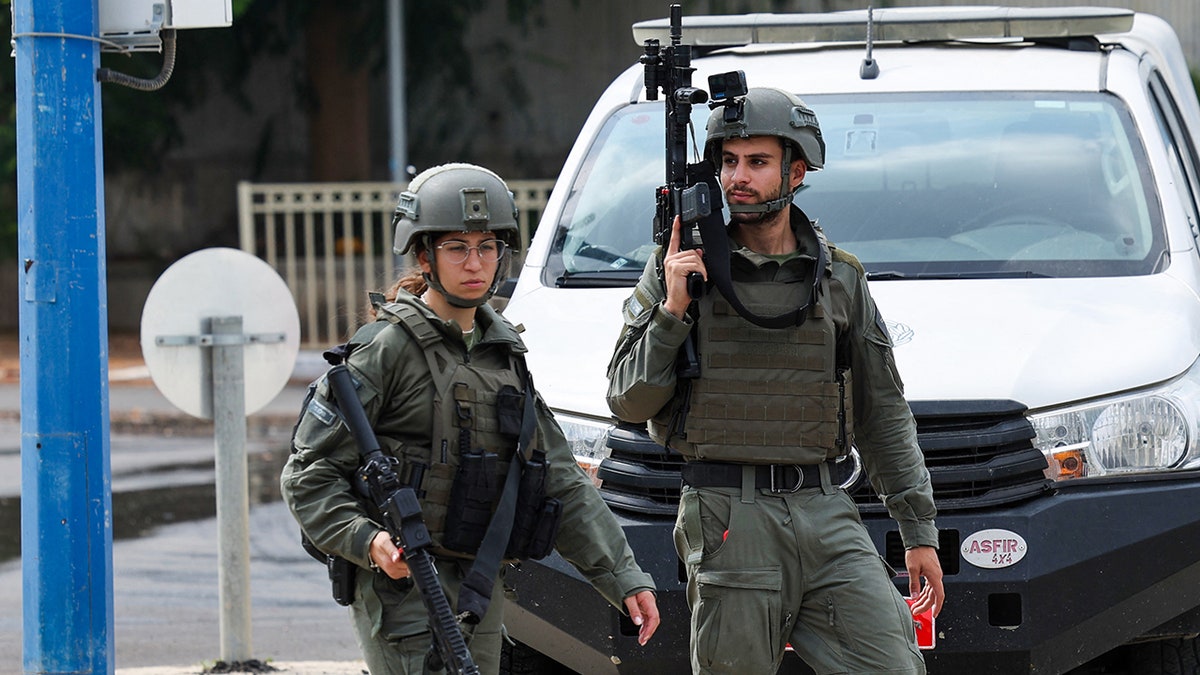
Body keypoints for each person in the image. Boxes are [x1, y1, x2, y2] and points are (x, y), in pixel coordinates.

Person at [606, 88, 944, 674]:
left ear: (797, 170)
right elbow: (628, 400)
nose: (738, 177)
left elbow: (881, 411)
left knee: (893, 666)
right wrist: (671, 313)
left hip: (825, 508)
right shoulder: (680, 267)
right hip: (728, 515)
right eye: (728, 162)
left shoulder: (838, 278)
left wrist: (917, 528)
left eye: (756, 163)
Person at [282, 163, 659, 675]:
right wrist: (368, 541)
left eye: (488, 247)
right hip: (403, 593)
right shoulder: (387, 350)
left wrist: (624, 577)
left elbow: (560, 480)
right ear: (425, 255)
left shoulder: (503, 353)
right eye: (458, 247)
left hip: (479, 589)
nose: (476, 262)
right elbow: (309, 477)